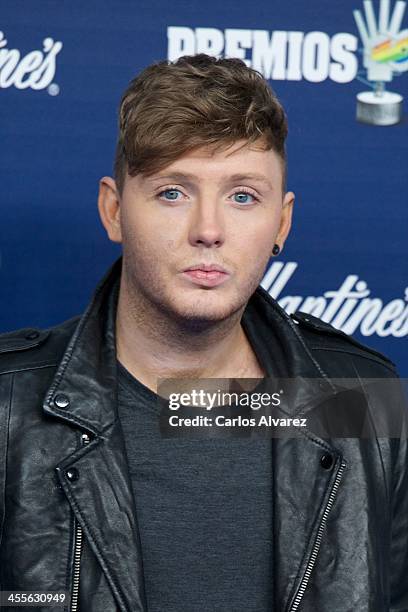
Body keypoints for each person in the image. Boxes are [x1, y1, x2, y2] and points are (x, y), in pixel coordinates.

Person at [0, 54, 406, 612]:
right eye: (173, 192)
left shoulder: (360, 398)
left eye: (243, 196)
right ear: (114, 210)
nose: (208, 231)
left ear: (281, 222)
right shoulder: (9, 405)